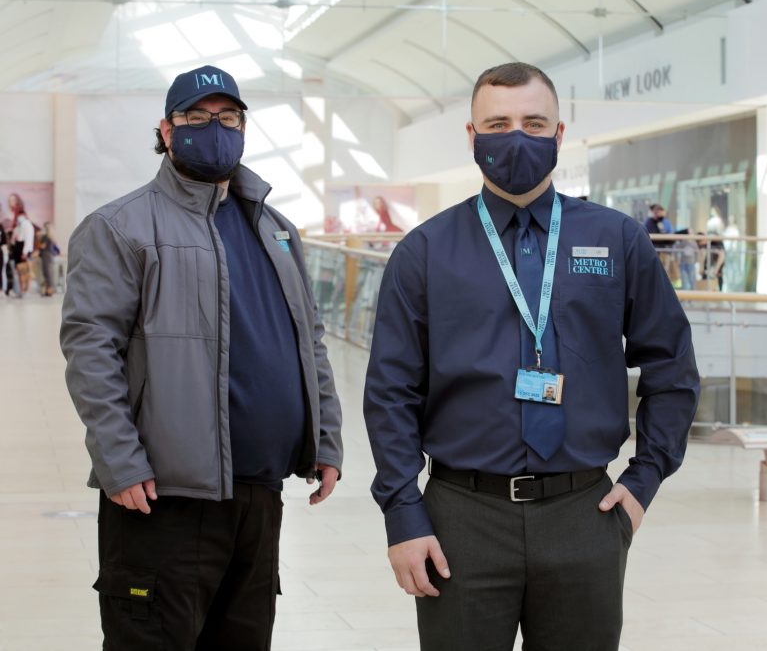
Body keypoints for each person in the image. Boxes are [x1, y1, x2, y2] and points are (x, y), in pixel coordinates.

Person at [364, 62, 699, 651]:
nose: (516, 136)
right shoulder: (424, 252)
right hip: (460, 518)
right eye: (497, 123)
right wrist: (402, 512)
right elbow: (391, 392)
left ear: (559, 134)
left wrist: (644, 480)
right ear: (471, 137)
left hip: (583, 513)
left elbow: (672, 366)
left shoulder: (617, 240)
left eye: (533, 122)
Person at [60, 64, 344, 650]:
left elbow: (307, 340)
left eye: (228, 117)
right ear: (166, 130)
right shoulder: (119, 226)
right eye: (196, 117)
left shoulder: (275, 227)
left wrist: (327, 441)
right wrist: (120, 460)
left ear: (244, 127)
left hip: (259, 496)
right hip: (162, 498)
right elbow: (91, 348)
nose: (214, 128)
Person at [37, 221, 58, 296]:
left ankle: (49, 291)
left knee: (47, 274)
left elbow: (42, 246)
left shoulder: (45, 237)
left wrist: (38, 238)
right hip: (50, 256)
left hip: (46, 256)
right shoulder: (51, 236)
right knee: (49, 274)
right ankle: (48, 290)